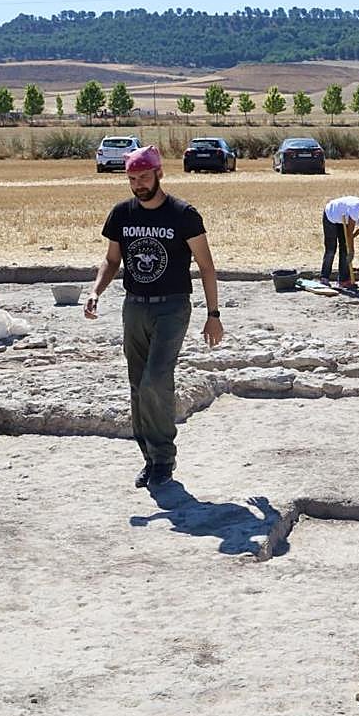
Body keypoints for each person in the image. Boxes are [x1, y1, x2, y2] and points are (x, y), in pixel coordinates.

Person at [85, 145, 224, 490]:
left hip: (172, 306)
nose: (137, 184)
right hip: (135, 306)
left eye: (143, 177)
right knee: (137, 383)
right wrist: (95, 291)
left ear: (159, 173)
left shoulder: (183, 214)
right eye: (132, 179)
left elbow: (206, 266)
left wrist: (213, 314)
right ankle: (149, 458)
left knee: (156, 379)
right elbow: (112, 260)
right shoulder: (122, 214)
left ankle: (164, 457)